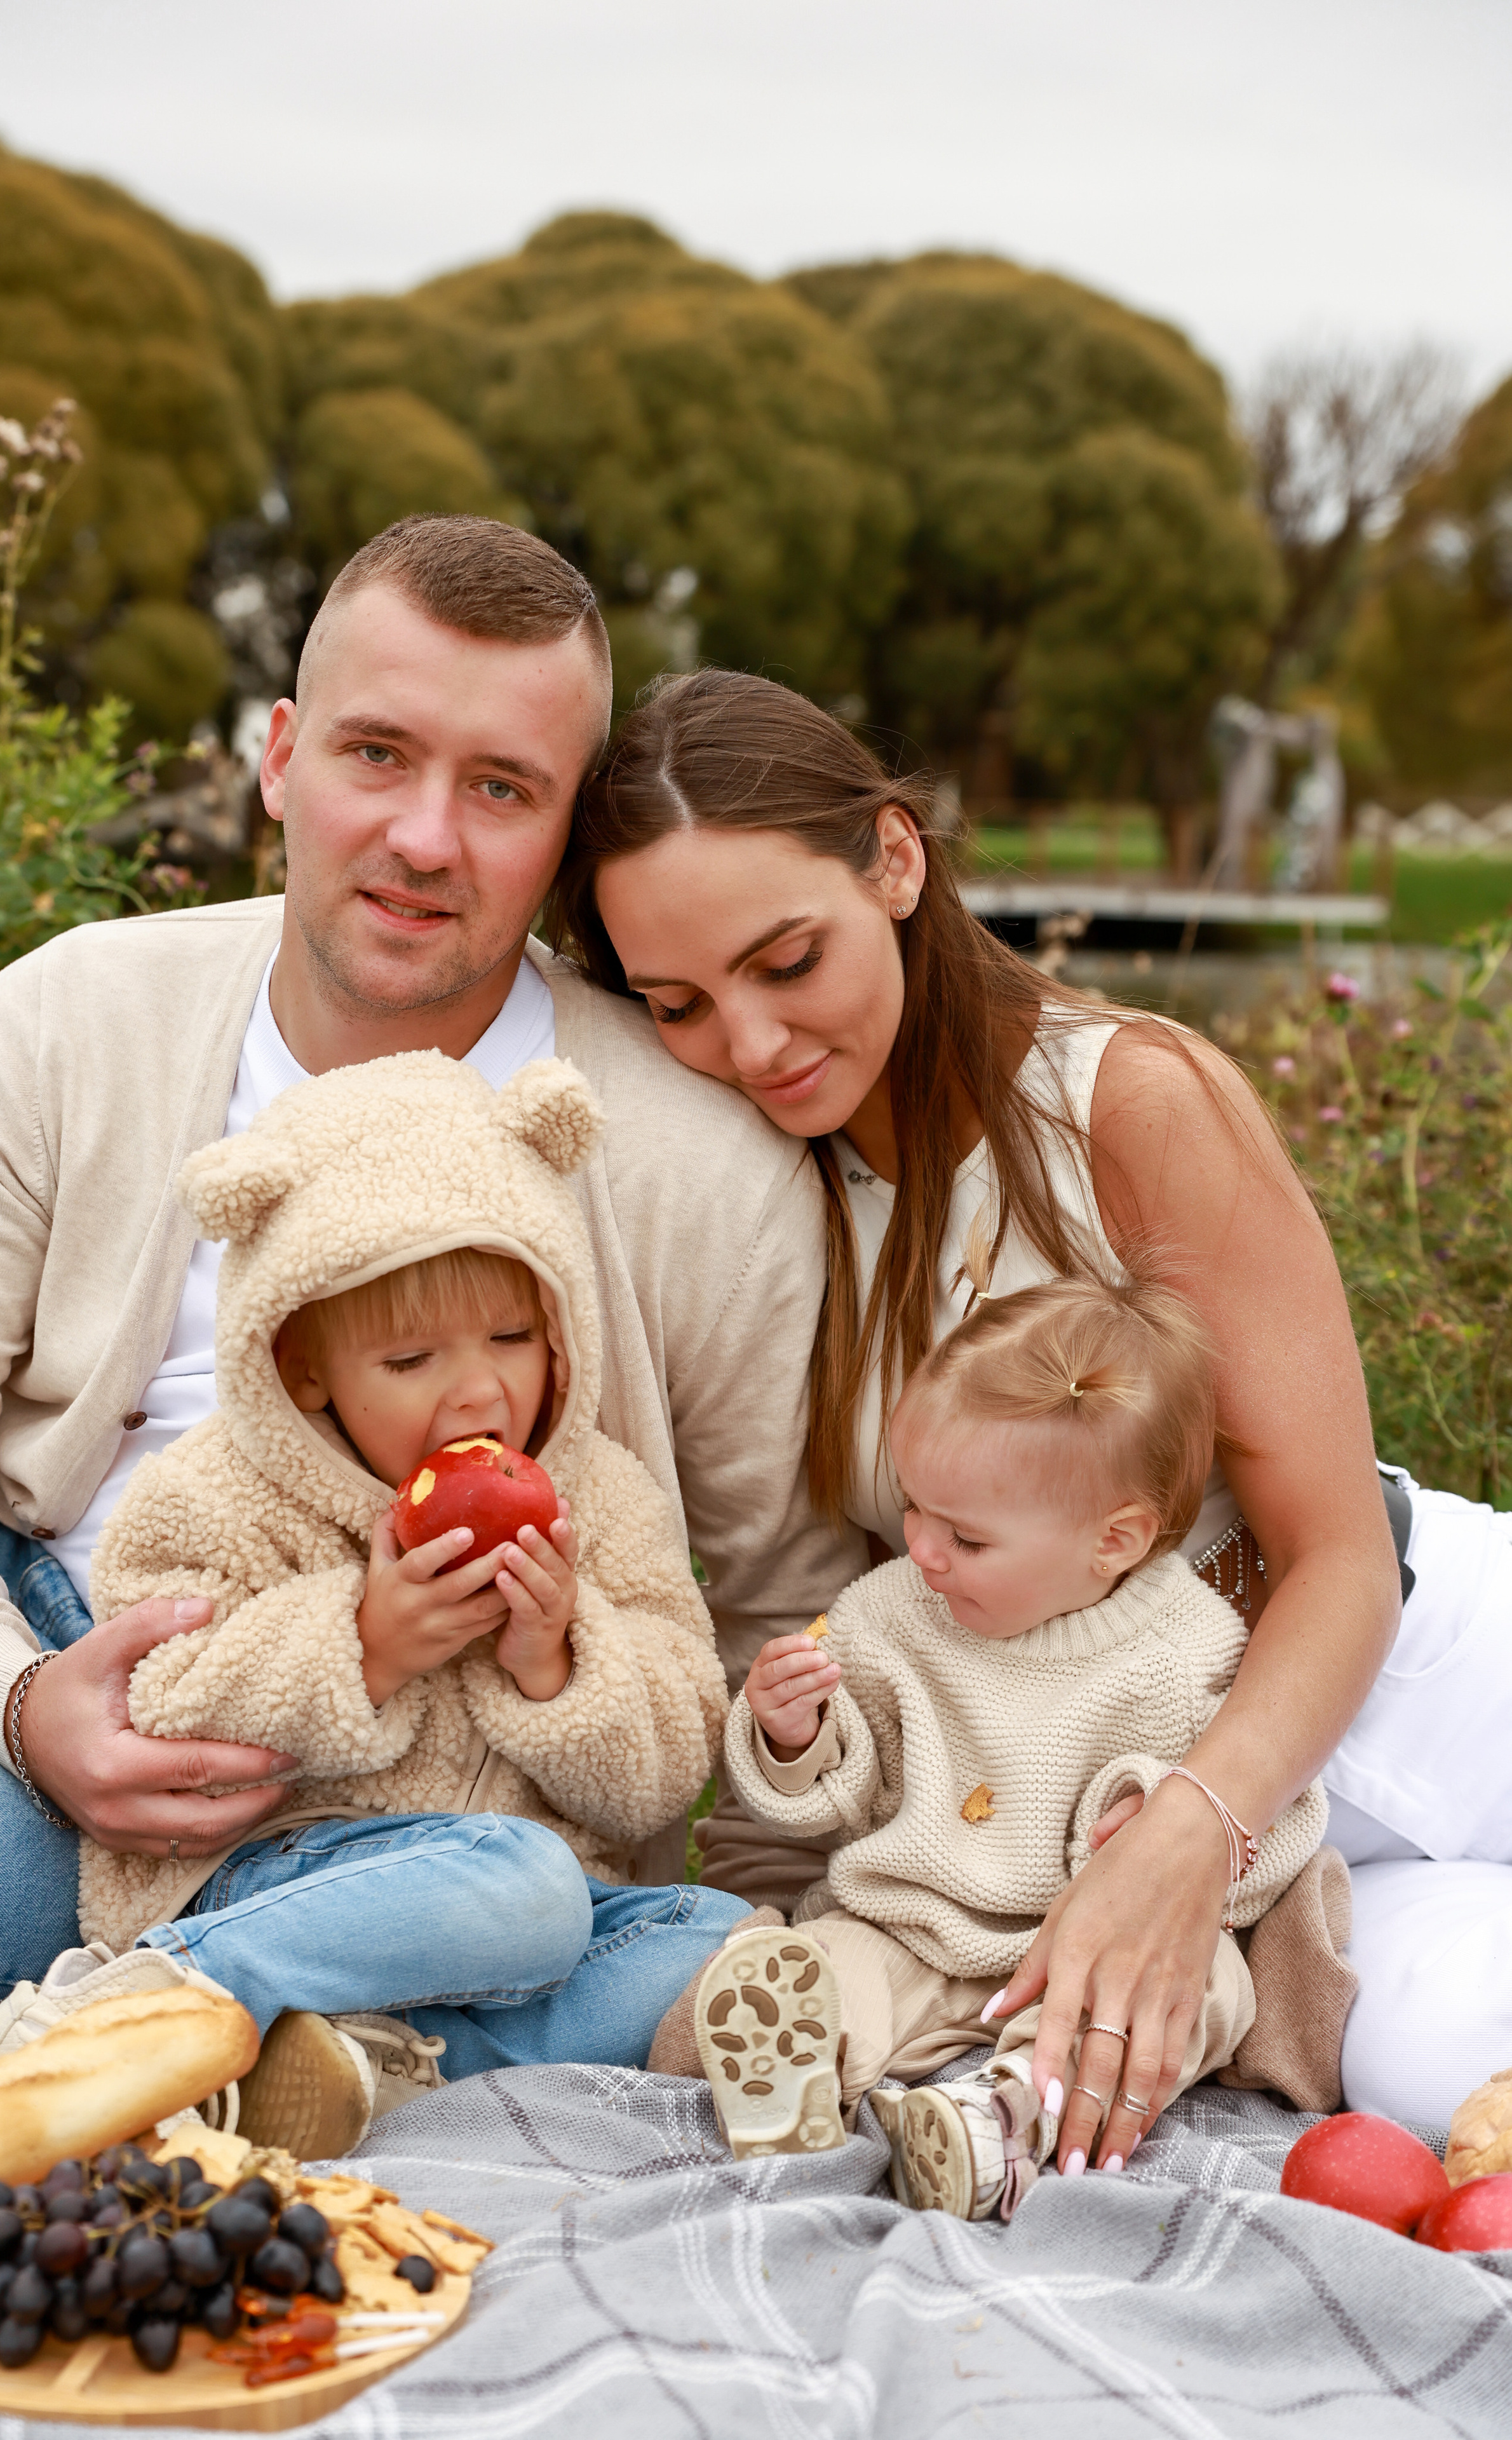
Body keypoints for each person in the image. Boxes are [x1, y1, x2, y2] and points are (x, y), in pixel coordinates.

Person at [0, 519, 863, 2027]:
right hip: (37, 1744)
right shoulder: (70, 1025)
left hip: (455, 1833)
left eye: (501, 788)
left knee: (634, 1943)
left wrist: (749, 1913)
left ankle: (210, 2011)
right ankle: (283, 2013)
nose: (423, 838)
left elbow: (778, 1622)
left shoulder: (698, 1168)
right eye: (375, 755)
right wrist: (26, 1711)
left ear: (565, 840)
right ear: (280, 758)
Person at [548, 666, 1405, 2171]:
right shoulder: (771, 1168)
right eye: (676, 1005)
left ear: (894, 859)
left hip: (1343, 1704)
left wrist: (1185, 1837)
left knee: (1421, 2059)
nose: (750, 1043)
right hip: (1046, 1769)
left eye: (786, 961)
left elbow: (1339, 1556)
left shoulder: (1124, 1106)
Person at [0, 1048, 743, 2156]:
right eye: (412, 1358)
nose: (481, 1391)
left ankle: (357, 2063)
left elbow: (665, 1769)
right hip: (280, 1877)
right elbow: (158, 1702)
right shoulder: (216, 1494)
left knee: (712, 1940)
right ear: (304, 1365)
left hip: (510, 1936)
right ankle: (143, 2005)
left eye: (513, 1338)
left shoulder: (602, 1500)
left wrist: (558, 1664)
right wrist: (362, 1647)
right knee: (526, 1886)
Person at [677, 1268, 1327, 2218]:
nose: (922, 1550)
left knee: (1202, 1991)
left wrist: (1153, 1804)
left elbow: (1277, 1817)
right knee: (829, 1960)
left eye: (966, 1539)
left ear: (1115, 1541)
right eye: (912, 1508)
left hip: (1088, 1952)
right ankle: (796, 2073)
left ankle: (1007, 2116)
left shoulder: (1190, 1649)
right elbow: (846, 1796)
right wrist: (796, 1733)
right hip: (911, 1924)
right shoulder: (891, 1615)